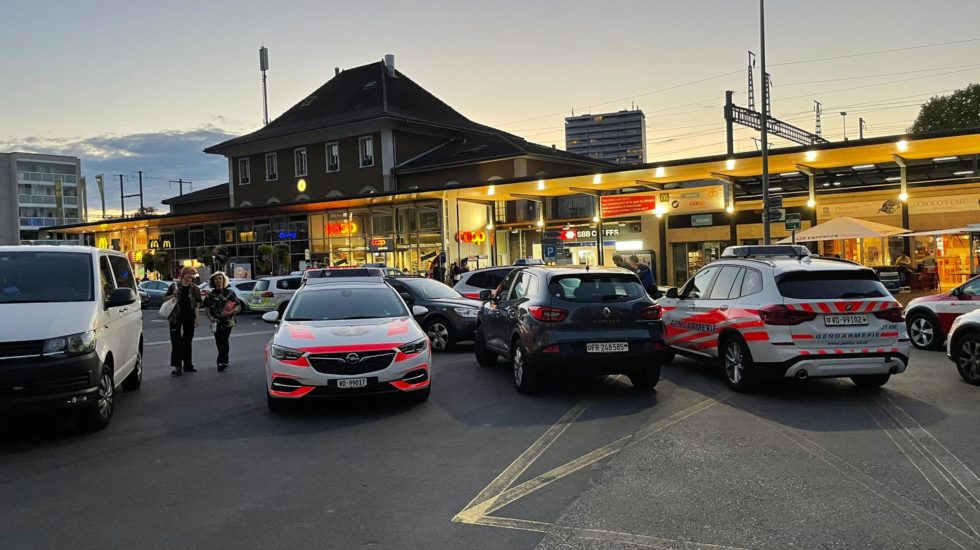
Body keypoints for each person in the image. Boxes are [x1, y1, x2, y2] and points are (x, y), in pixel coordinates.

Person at [165, 266, 203, 377]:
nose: (192, 275)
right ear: (184, 274)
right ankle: (177, 367)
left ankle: (188, 365)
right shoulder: (174, 286)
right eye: (190, 272)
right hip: (175, 317)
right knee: (176, 341)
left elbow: (197, 304)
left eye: (193, 273)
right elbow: (164, 299)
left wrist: (196, 317)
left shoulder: (195, 288)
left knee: (187, 341)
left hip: (189, 316)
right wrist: (174, 294)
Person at [204, 272, 243, 372]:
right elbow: (207, 309)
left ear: (223, 280)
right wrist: (210, 318)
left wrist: (231, 311)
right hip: (216, 321)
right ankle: (225, 360)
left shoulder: (230, 293)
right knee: (218, 341)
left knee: (224, 340)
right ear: (213, 281)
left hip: (228, 321)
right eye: (216, 279)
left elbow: (238, 306)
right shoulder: (211, 295)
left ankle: (221, 361)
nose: (218, 281)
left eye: (220, 279)